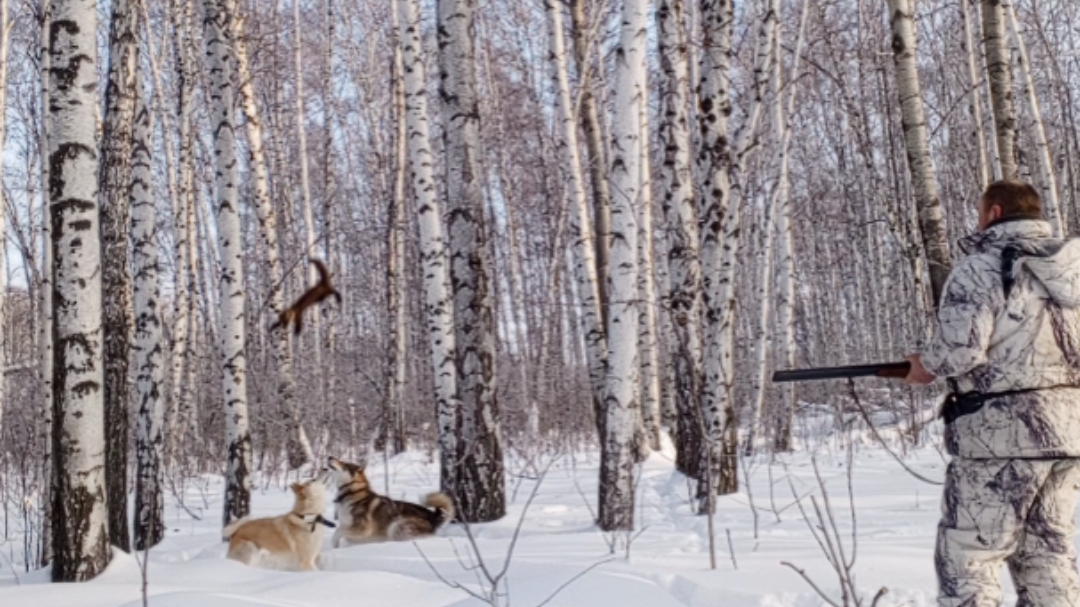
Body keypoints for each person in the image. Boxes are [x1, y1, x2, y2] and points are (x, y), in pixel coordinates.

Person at [906, 180, 1080, 607]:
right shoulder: (1073, 270)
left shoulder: (981, 268)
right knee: (1048, 556)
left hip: (998, 437)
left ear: (995, 214)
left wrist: (923, 366)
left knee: (972, 556)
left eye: (981, 212)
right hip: (1069, 436)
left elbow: (959, 350)